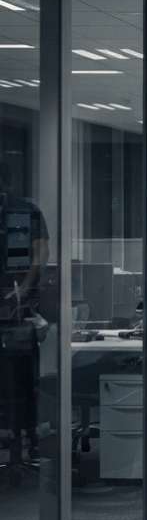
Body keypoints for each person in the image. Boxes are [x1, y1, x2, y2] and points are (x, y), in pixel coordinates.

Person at [0, 161, 49, 474]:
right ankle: (16, 441)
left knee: (22, 382)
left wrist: (26, 289)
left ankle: (28, 442)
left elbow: (41, 254)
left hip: (19, 315)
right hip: (13, 307)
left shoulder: (26, 211)